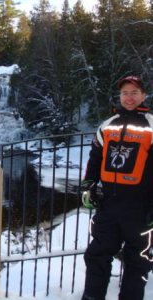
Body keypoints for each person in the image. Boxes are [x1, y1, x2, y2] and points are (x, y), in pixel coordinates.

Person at [81, 75, 153, 300]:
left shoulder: (152, 124)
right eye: (125, 93)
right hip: (108, 205)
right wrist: (89, 186)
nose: (129, 97)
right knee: (97, 255)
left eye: (134, 92)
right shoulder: (107, 125)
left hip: (141, 208)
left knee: (137, 261)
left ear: (143, 95)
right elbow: (95, 158)